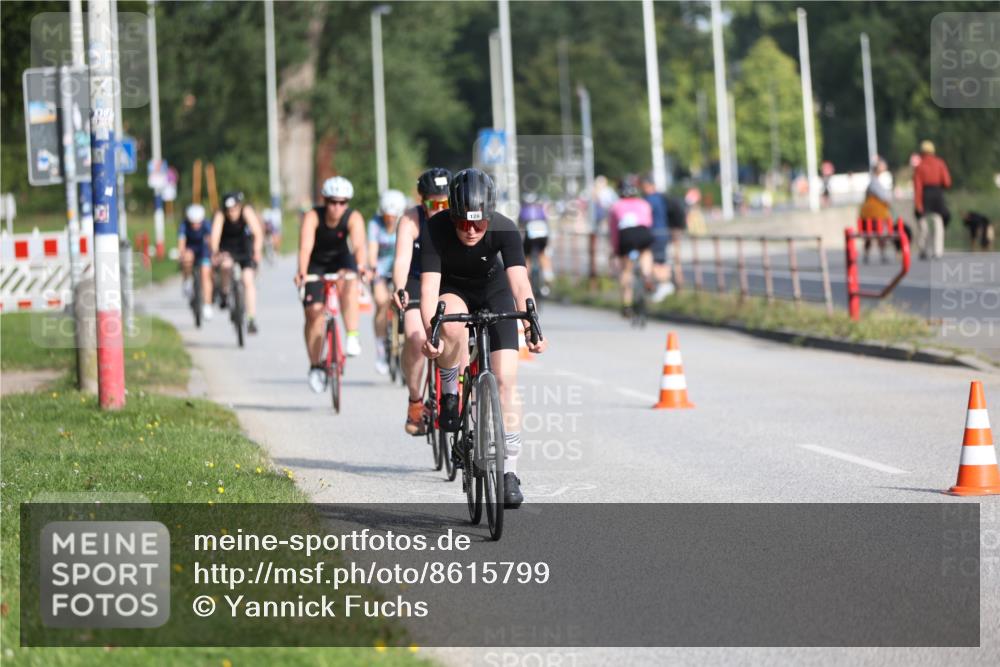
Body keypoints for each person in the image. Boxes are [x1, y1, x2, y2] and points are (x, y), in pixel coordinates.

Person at [420, 168, 547, 508]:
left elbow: (520, 283)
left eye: (479, 224)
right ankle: (449, 388)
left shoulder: (505, 227)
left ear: (490, 216)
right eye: (463, 223)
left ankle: (509, 472)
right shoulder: (435, 228)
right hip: (453, 289)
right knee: (448, 324)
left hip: (494, 292)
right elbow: (430, 288)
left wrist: (533, 325)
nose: (471, 231)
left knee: (506, 379)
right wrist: (430, 332)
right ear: (453, 215)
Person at [295, 176, 369, 393]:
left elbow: (358, 246)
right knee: (313, 313)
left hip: (341, 260)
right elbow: (305, 247)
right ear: (325, 201)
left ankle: (352, 336)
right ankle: (315, 364)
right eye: (333, 202)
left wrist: (361, 266)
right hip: (316, 263)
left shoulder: (353, 217)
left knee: (350, 281)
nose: (337, 207)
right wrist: (301, 271)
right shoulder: (313, 216)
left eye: (342, 202)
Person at [393, 168, 451, 435]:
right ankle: (416, 401)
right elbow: (402, 260)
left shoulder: (460, 218)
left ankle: (459, 390)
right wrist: (399, 287)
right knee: (416, 338)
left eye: (445, 203)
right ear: (422, 201)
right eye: (432, 203)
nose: (439, 209)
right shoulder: (410, 220)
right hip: (417, 279)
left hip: (449, 279)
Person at [210, 192, 264, 334]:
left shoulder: (246, 211)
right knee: (226, 265)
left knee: (248, 280)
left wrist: (257, 251)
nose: (231, 213)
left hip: (244, 248)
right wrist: (216, 252)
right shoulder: (221, 215)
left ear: (239, 206)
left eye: (234, 209)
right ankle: (225, 292)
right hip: (226, 248)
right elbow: (215, 236)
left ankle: (251, 319)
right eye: (228, 210)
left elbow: (258, 233)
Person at [368, 189, 407, 375]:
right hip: (381, 271)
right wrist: (372, 268)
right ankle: (381, 349)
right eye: (386, 216)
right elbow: (372, 251)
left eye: (392, 216)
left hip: (401, 270)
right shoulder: (375, 224)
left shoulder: (404, 223)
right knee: (382, 302)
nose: (389, 220)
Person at [608, 176, 655, 316]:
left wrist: (616, 250)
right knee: (646, 252)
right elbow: (648, 223)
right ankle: (646, 275)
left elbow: (614, 232)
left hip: (626, 235)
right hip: (642, 232)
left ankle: (627, 305)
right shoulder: (643, 203)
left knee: (626, 270)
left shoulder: (616, 206)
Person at [913, 140, 952, 260]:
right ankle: (938, 251)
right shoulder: (940, 163)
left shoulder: (920, 166)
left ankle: (923, 249)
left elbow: (918, 186)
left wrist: (918, 204)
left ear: (922, 152)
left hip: (925, 194)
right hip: (937, 194)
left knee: (922, 223)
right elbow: (947, 182)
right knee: (938, 221)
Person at [639, 174, 675, 302]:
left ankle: (665, 285)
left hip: (655, 234)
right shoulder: (661, 197)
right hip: (663, 232)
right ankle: (664, 285)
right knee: (660, 260)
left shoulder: (649, 200)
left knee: (655, 262)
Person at [178, 203, 214, 321]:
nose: (195, 225)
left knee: (205, 274)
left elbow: (210, 241)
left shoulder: (206, 224)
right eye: (193, 222)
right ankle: (187, 279)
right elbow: (182, 243)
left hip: (203, 249)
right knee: (187, 258)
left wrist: (212, 254)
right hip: (190, 248)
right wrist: (181, 255)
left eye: (198, 222)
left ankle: (207, 305)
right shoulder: (184, 225)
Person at [518, 192, 554, 296]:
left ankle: (525, 279)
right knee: (543, 255)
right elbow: (547, 225)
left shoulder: (523, 209)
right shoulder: (541, 209)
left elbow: (521, 228)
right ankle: (548, 278)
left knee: (526, 256)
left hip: (530, 236)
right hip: (543, 235)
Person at [858, 157, 893, 264]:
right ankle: (879, 255)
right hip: (876, 213)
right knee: (878, 234)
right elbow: (884, 196)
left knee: (870, 235)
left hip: (869, 213)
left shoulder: (873, 181)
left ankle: (867, 256)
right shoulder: (875, 182)